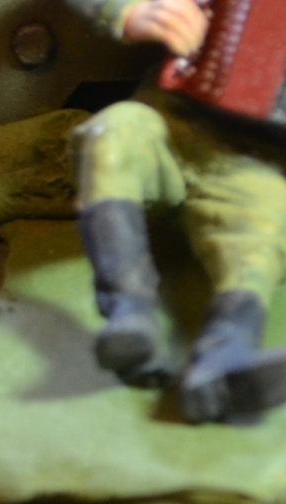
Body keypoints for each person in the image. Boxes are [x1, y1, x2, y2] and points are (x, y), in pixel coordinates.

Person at [71, 0, 286, 420]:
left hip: (255, 161)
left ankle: (223, 361)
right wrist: (130, 11)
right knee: (112, 135)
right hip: (169, 121)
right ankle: (129, 312)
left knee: (258, 238)